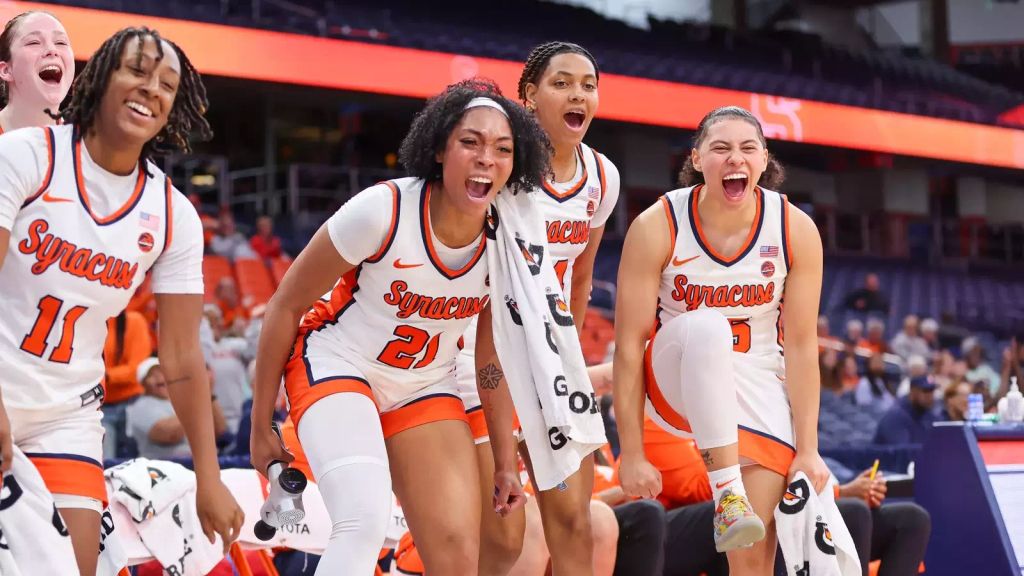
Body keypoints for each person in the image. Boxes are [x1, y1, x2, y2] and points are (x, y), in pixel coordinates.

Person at [249, 79, 550, 575]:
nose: (485, 158)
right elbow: (285, 304)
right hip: (340, 363)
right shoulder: (382, 210)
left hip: (425, 382)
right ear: (437, 149)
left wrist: (502, 459)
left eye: (502, 149)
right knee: (363, 522)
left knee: (457, 553)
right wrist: (261, 424)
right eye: (470, 142)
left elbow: (490, 359)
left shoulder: (507, 238)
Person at [0, 26, 244, 575]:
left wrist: (208, 476)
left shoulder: (172, 212)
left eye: (166, 83)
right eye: (136, 70)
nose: (150, 88)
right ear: (102, 75)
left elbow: (181, 359)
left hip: (66, 415)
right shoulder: (25, 155)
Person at [613, 106, 830, 574]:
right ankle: (728, 493)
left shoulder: (795, 229)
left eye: (748, 147)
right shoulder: (658, 223)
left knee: (753, 557)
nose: (736, 158)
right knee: (708, 325)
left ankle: (735, 503)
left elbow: (800, 346)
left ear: (764, 159)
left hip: (756, 381)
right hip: (676, 380)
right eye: (721, 147)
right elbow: (629, 344)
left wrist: (808, 448)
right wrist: (631, 453)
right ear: (696, 158)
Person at [453, 40, 621, 575]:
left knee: (576, 522)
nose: (579, 94)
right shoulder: (499, 176)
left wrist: (565, 361)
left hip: (551, 365)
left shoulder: (602, 177)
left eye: (588, 85)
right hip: (482, 359)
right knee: (502, 541)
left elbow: (581, 277)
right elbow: (486, 314)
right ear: (529, 95)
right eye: (562, 82)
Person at [835, 467, 931, 576]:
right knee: (856, 512)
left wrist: (860, 494)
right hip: (816, 524)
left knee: (913, 519)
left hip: (832, 508)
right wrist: (842, 493)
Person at [128, 358, 227, 459]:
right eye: (152, 375)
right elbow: (170, 434)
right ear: (143, 383)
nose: (159, 377)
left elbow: (219, 430)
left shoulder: (183, 400)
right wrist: (197, 398)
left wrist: (208, 393)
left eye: (163, 372)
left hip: (199, 465)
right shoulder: (141, 406)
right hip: (162, 469)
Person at [0, 11, 73, 133]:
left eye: (61, 42)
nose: (52, 50)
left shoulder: (87, 143)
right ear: (6, 70)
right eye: (34, 42)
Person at [102, 309, 153, 457]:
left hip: (133, 403)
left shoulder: (134, 320)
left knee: (139, 460)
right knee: (105, 462)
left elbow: (137, 368)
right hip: (100, 408)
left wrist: (106, 375)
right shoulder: (87, 322)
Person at [873, 376, 939, 444]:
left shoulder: (928, 414)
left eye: (932, 391)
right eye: (925, 391)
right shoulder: (895, 416)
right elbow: (902, 452)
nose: (930, 396)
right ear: (912, 391)